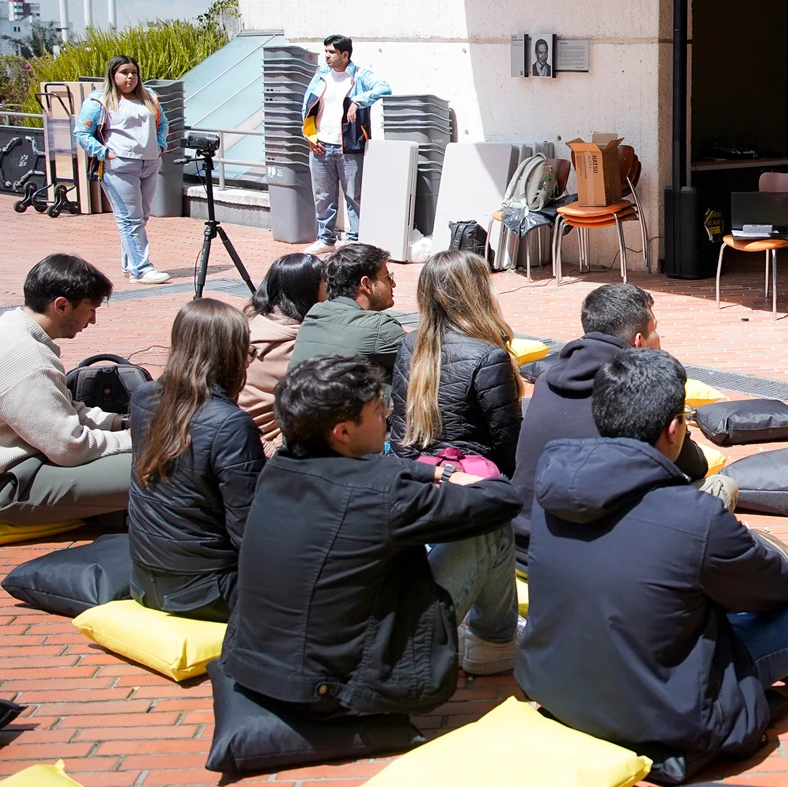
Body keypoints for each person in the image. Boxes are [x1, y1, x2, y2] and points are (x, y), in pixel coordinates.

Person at [518, 348, 788, 764]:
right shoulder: (692, 514)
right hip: (665, 708)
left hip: (557, 683)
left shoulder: (552, 489)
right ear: (673, 429)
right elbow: (778, 589)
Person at [221, 355, 525, 716]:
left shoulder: (278, 472)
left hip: (262, 669)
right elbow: (503, 500)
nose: (389, 415)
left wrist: (434, 473)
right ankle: (494, 643)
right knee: (487, 529)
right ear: (343, 431)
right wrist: (454, 478)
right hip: (343, 690)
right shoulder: (381, 494)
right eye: (380, 409)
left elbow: (381, 471)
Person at [510, 283, 734, 572]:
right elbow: (695, 465)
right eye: (656, 330)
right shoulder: (641, 390)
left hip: (522, 545)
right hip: (590, 558)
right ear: (639, 341)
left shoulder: (547, 378)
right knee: (722, 487)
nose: (659, 338)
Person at [128, 299, 264, 623]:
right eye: (246, 352)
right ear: (228, 357)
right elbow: (249, 530)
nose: (248, 361)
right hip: (210, 592)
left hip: (144, 582)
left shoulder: (143, 398)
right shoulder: (230, 424)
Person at [0, 255, 132, 528]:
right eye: (91, 309)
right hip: (5, 487)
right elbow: (69, 447)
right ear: (62, 305)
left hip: (23, 466)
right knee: (159, 469)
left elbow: (60, 409)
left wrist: (120, 422)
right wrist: (135, 439)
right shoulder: (27, 357)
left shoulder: (9, 327)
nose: (92, 320)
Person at [391, 250, 523, 476]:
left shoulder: (411, 344)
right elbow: (507, 441)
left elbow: (401, 430)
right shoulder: (489, 356)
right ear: (477, 293)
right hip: (470, 475)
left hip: (418, 471)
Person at [73, 55, 171, 285]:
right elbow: (82, 132)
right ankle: (142, 268)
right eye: (124, 72)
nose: (130, 77)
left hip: (149, 163)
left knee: (141, 216)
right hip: (119, 167)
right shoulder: (99, 101)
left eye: (134, 72)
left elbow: (163, 122)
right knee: (130, 219)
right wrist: (103, 152)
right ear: (112, 75)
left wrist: (160, 144)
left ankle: (131, 265)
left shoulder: (149, 98)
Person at [302, 34, 391, 256]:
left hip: (349, 147)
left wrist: (359, 101)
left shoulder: (360, 75)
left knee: (354, 196)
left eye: (331, 52)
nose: (327, 57)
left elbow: (384, 88)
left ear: (345, 54)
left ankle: (355, 240)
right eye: (326, 52)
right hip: (321, 146)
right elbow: (307, 104)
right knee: (323, 197)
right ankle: (325, 239)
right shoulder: (321, 75)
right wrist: (309, 136)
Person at [238, 253, 325, 455]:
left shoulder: (249, 322)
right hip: (268, 448)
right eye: (325, 283)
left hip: (239, 437)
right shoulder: (295, 343)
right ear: (307, 291)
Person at [289, 243, 405, 381]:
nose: (393, 284)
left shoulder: (314, 314)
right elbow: (428, 358)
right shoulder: (379, 326)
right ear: (366, 284)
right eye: (388, 277)